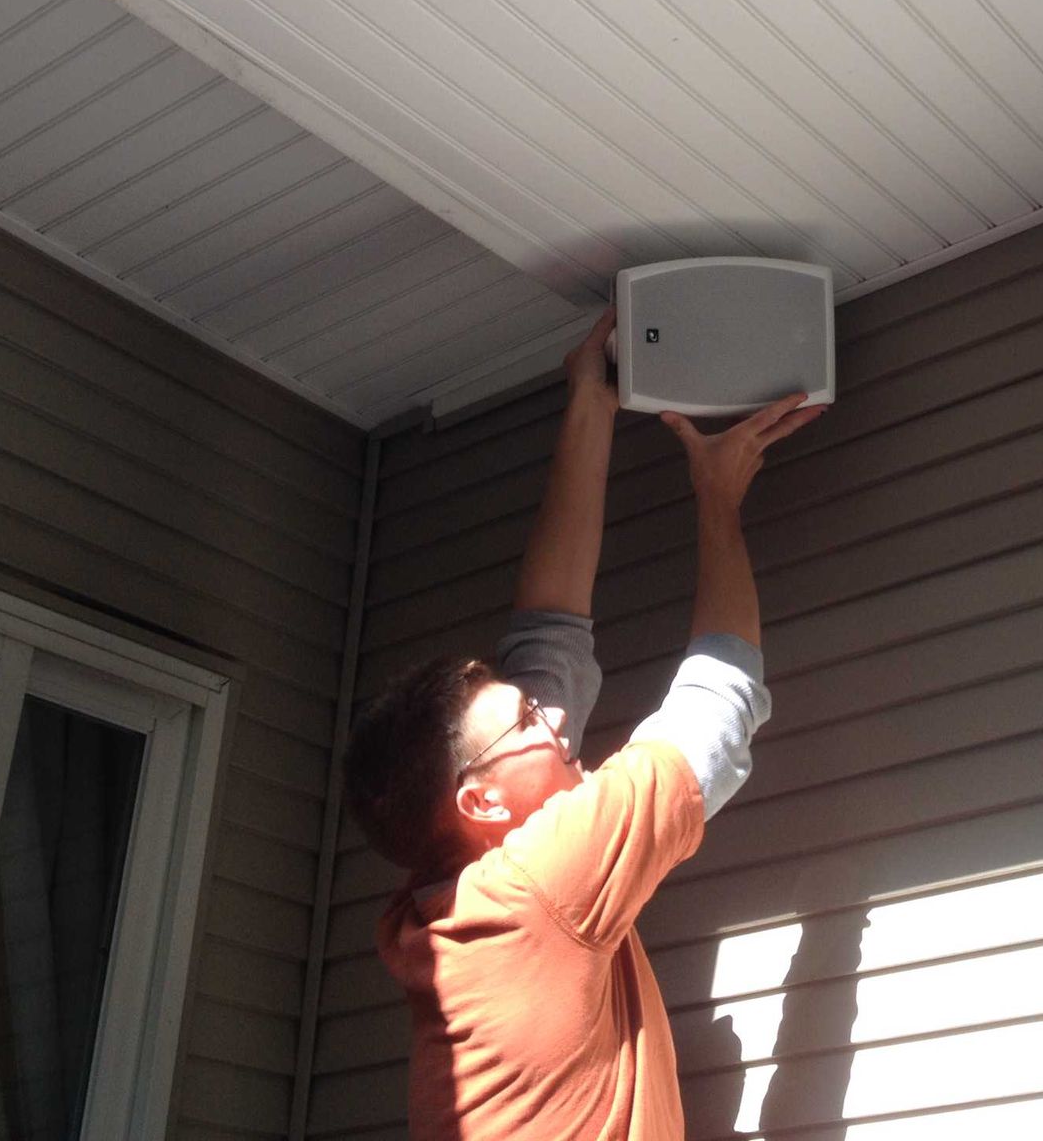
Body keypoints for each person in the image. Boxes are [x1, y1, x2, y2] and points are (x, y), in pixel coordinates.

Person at [342, 308, 824, 1140]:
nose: (557, 725)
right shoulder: (538, 891)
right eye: (529, 721)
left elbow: (547, 643)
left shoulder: (443, 907)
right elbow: (719, 708)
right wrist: (718, 499)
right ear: (483, 803)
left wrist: (591, 405)